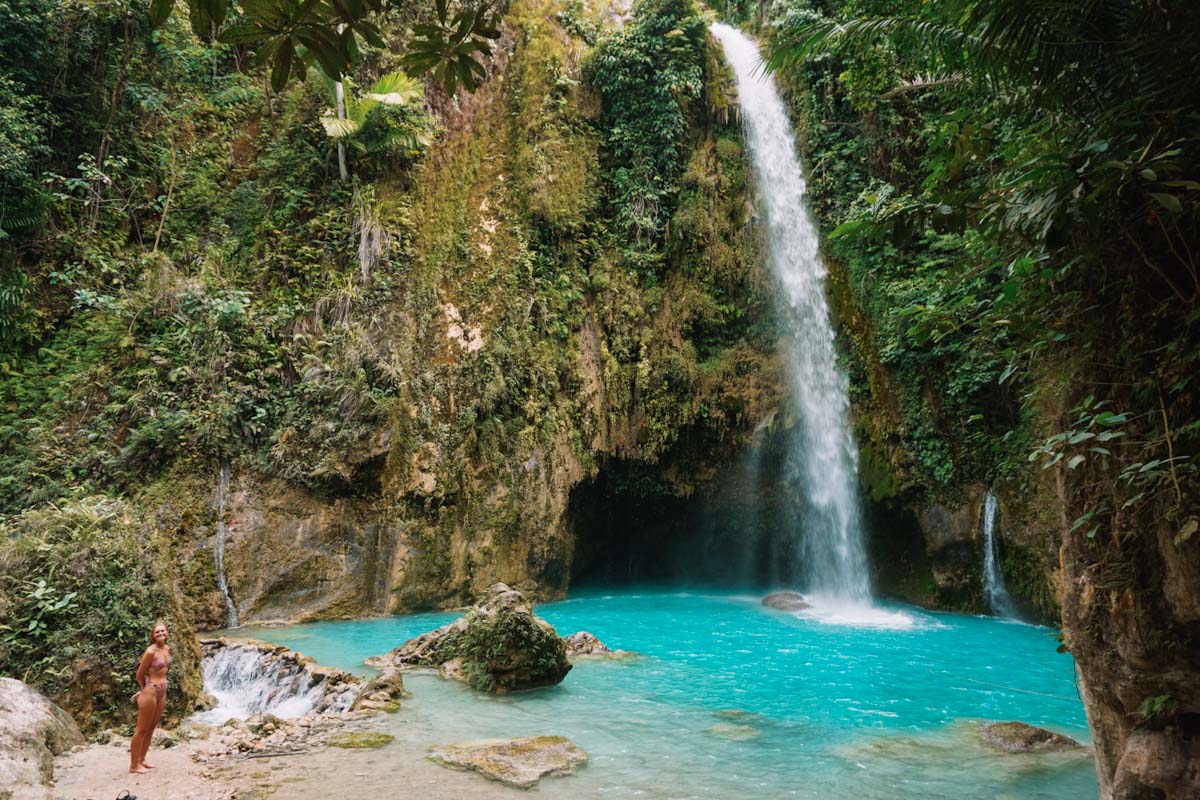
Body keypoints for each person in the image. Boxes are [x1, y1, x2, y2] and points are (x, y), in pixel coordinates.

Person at [129, 621, 170, 774]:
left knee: (151, 728)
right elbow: (139, 674)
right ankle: (133, 766)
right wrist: (144, 689)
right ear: (153, 636)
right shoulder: (150, 652)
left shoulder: (167, 649)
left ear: (167, 633)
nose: (160, 634)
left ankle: (142, 760)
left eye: (163, 631)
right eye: (157, 632)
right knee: (141, 729)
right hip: (151, 690)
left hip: (163, 690)